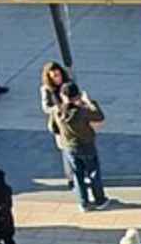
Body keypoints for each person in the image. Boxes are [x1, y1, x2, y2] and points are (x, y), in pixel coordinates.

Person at [42, 68, 110, 211]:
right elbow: (99, 116)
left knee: (77, 175)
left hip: (69, 147)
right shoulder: (82, 112)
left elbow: (52, 128)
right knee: (93, 172)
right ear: (77, 96)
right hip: (87, 144)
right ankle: (99, 200)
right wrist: (89, 101)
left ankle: (83, 202)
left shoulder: (57, 111)